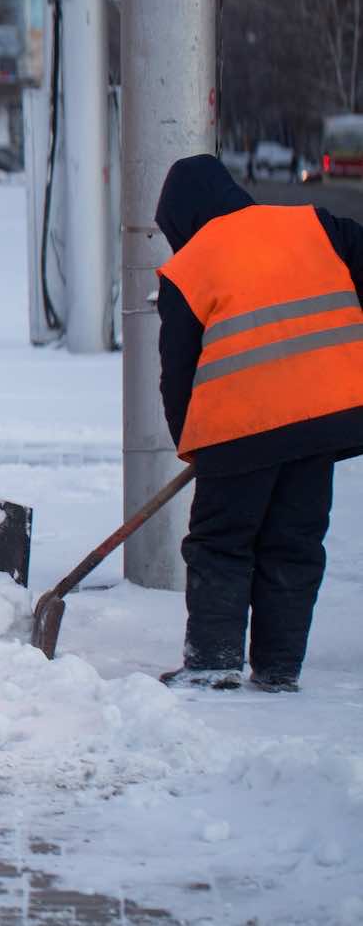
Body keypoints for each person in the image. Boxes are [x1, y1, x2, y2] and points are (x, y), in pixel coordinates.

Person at [154, 154, 363, 693]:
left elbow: (178, 372)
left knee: (222, 542)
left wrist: (193, 445)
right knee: (295, 542)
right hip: (321, 419)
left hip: (239, 428)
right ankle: (279, 668)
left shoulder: (190, 266)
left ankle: (212, 663)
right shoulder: (314, 225)